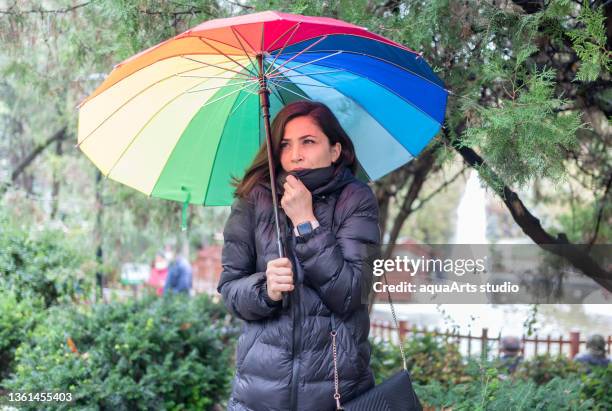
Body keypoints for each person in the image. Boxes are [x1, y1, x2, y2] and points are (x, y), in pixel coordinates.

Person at [217, 101, 381, 411]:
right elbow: (230, 289)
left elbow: (350, 294)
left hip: (338, 394)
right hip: (259, 395)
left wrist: (306, 224)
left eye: (308, 141)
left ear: (335, 150)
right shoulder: (253, 198)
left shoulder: (356, 199)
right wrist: (264, 290)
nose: (295, 155)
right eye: (285, 145)